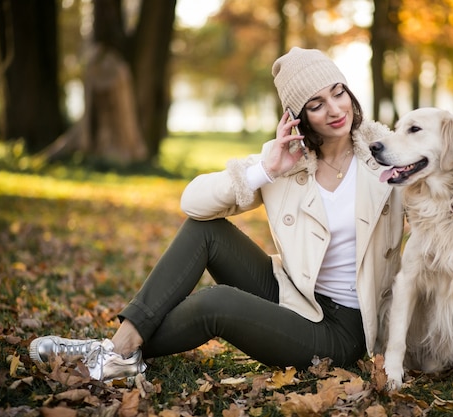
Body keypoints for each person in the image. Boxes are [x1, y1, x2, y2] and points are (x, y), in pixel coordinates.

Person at [29, 47, 405, 382]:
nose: (335, 109)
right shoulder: (289, 163)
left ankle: (112, 351)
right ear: (298, 117)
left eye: (338, 93)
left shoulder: (385, 160)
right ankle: (118, 352)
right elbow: (193, 203)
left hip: (342, 330)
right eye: (316, 104)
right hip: (296, 294)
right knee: (204, 230)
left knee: (217, 302)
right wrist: (266, 170)